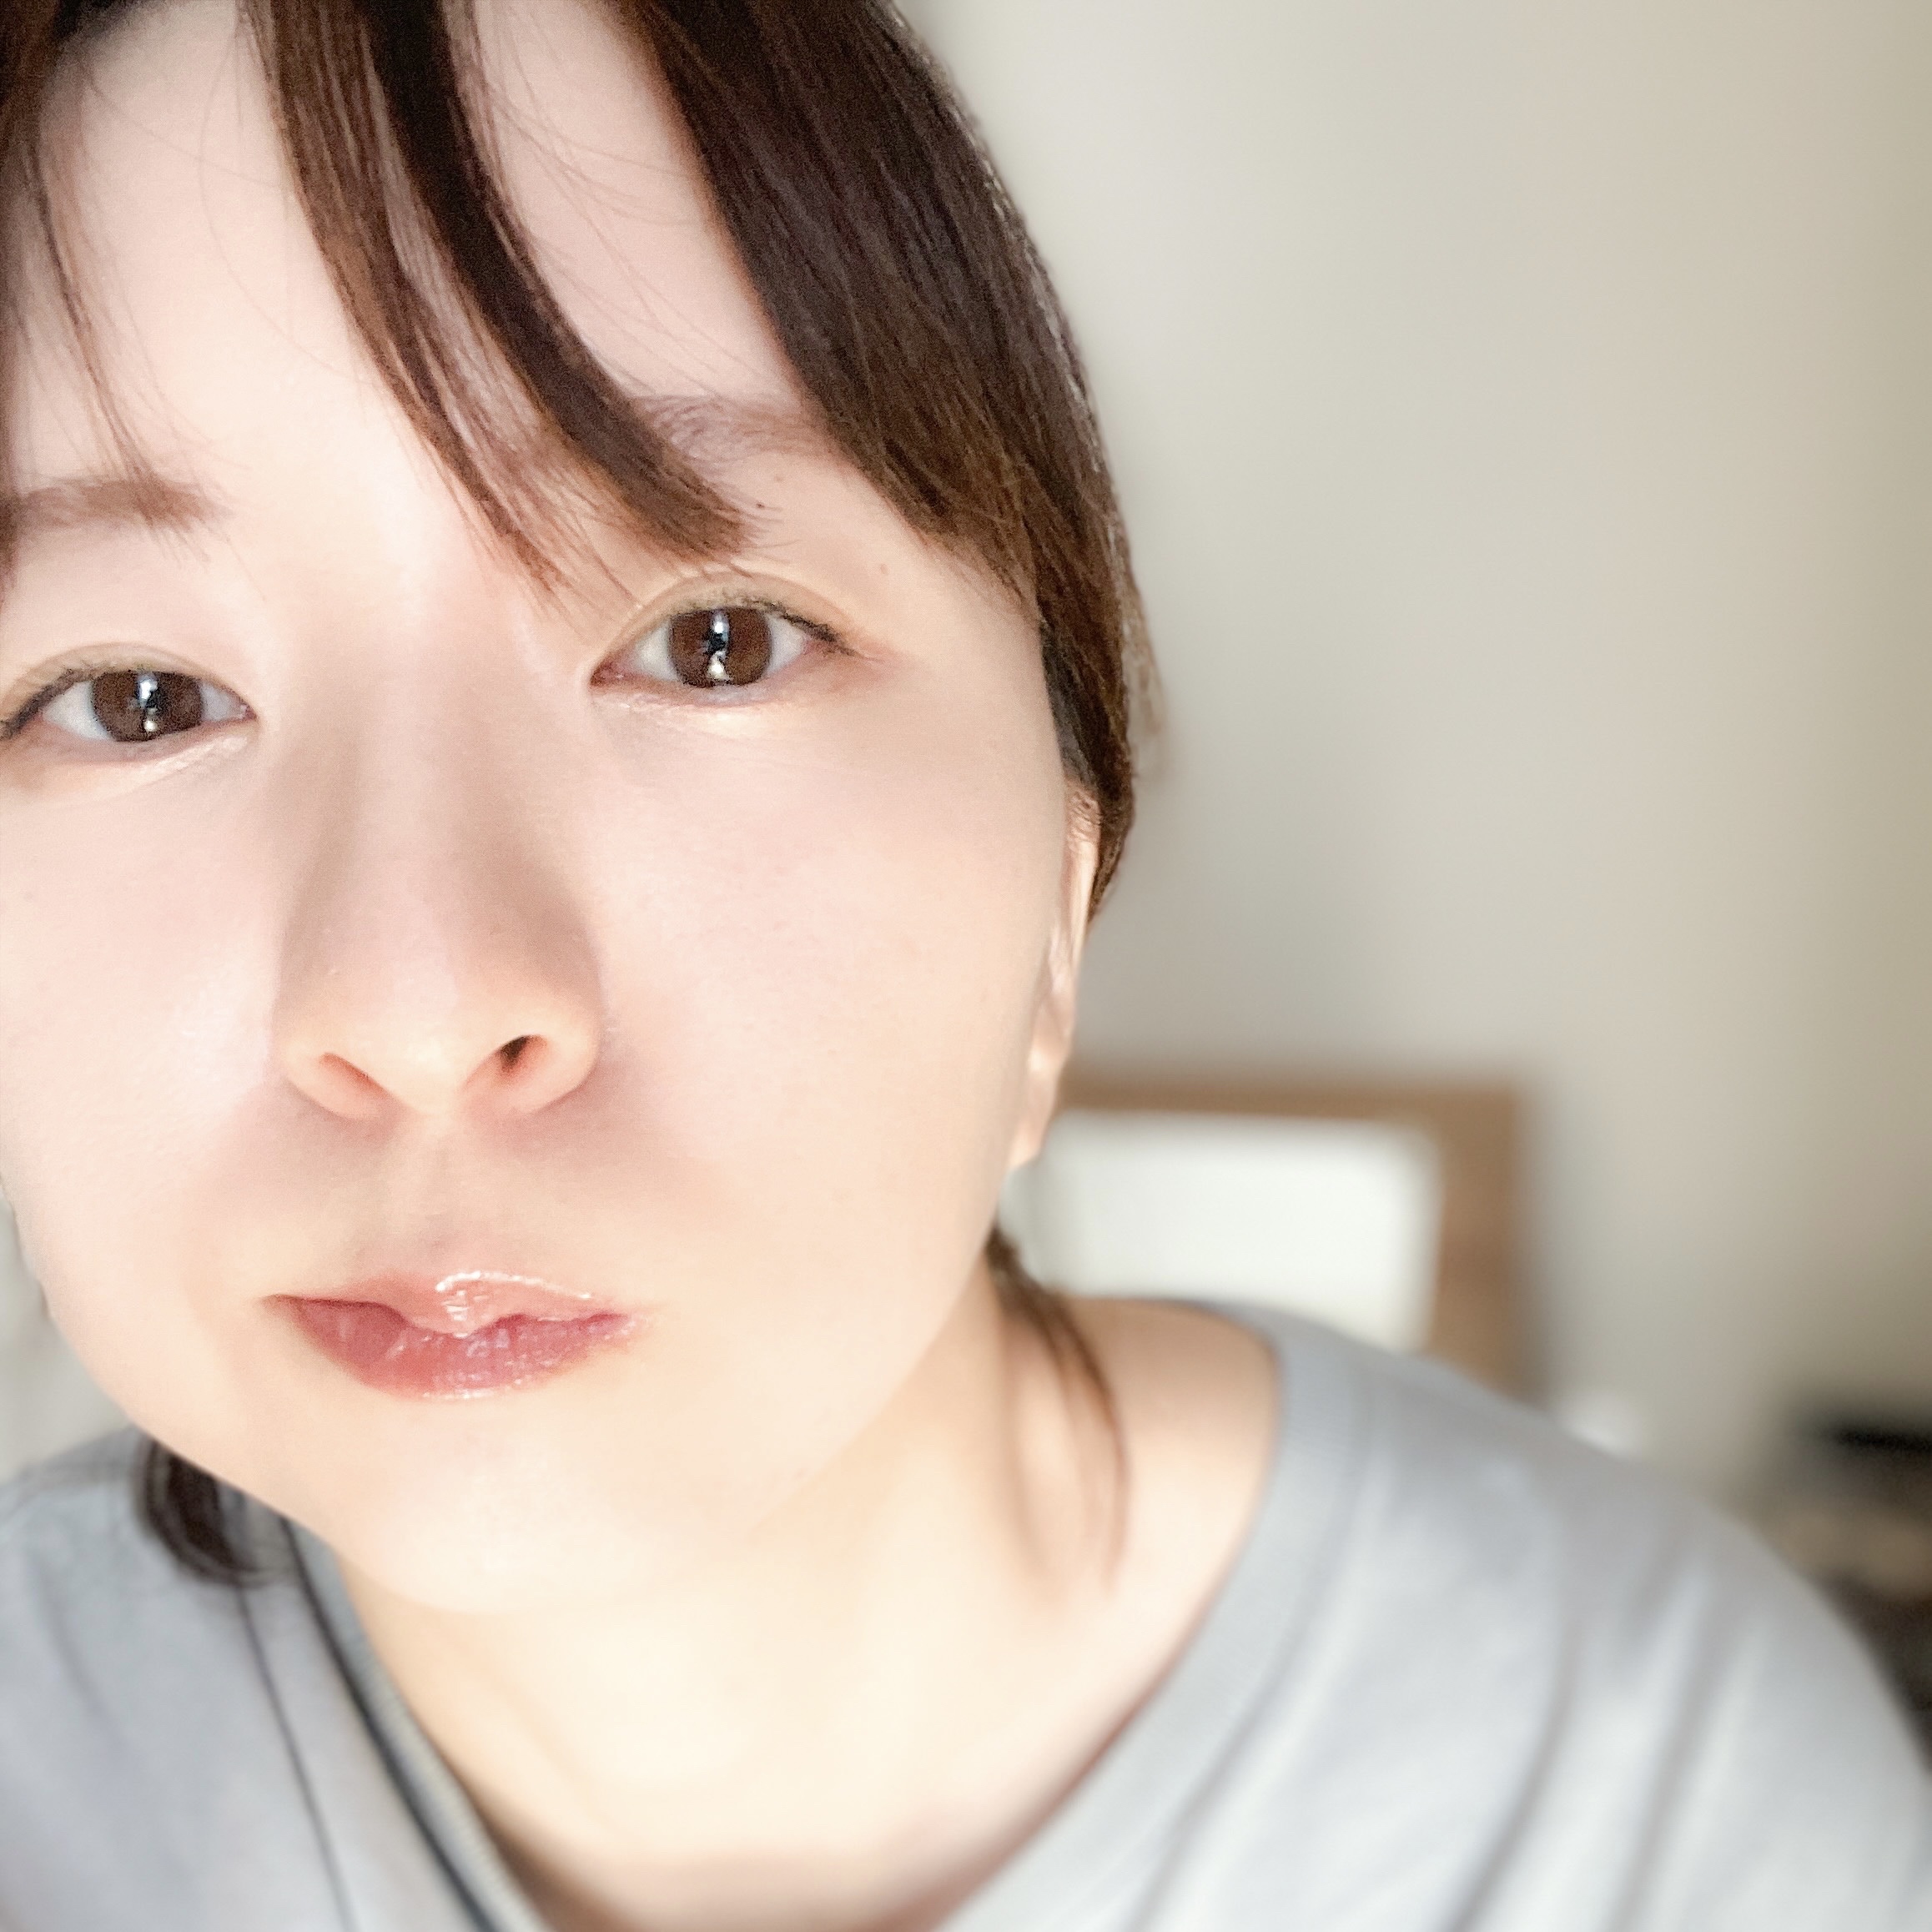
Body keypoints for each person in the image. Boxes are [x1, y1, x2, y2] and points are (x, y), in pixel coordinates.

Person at [0, 1, 1925, 1927]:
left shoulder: (1660, 1802)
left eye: (717, 644)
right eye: (138, 696)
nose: (422, 1007)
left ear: (1061, 905)